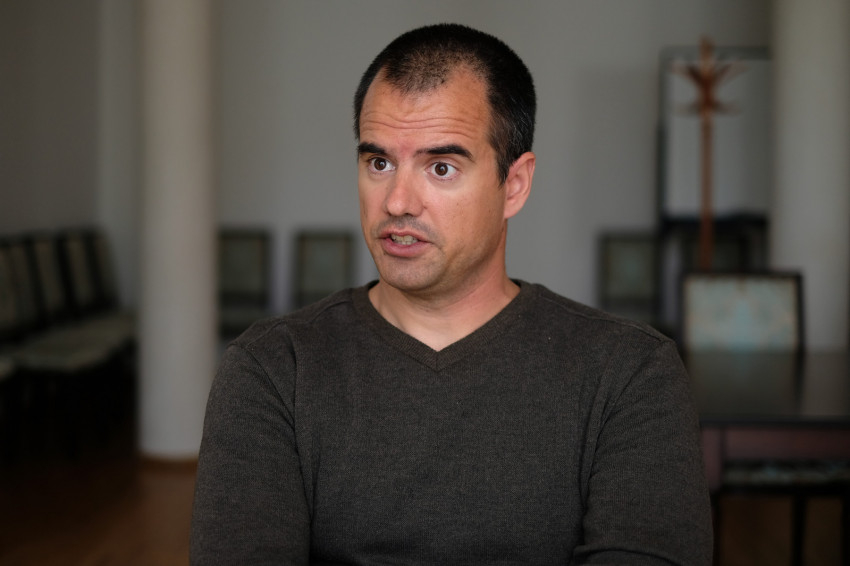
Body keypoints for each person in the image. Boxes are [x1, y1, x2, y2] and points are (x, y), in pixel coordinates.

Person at [190, 23, 713, 565]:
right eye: (379, 163)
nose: (397, 202)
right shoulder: (274, 369)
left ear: (514, 185)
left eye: (441, 168)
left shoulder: (629, 373)